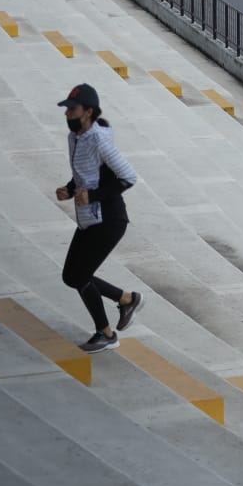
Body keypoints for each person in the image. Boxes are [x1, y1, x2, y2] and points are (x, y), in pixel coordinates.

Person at [53, 84, 144, 354]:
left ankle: (105, 333)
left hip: (109, 220)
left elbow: (128, 177)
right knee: (71, 276)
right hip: (89, 218)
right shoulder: (76, 138)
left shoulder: (100, 140)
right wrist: (69, 189)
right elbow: (86, 173)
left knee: (79, 276)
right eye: (67, 109)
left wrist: (92, 196)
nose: (67, 113)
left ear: (88, 112)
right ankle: (127, 299)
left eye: (72, 109)